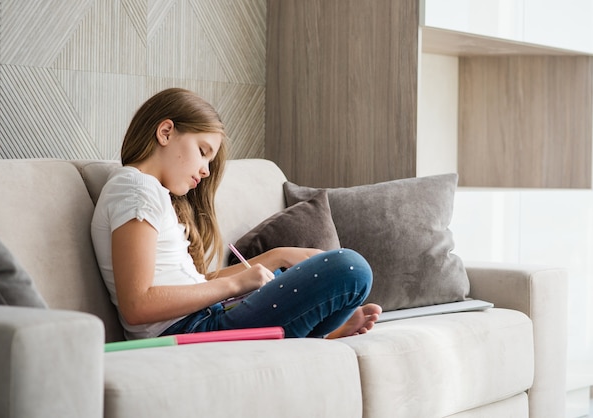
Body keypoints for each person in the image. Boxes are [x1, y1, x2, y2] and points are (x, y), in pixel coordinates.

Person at [91, 88, 381, 340]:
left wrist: (276, 256)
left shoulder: (148, 192)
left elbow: (193, 286)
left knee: (315, 274)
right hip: (191, 331)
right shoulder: (135, 189)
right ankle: (320, 332)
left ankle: (320, 331)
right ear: (165, 132)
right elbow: (138, 304)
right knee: (350, 268)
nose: (205, 170)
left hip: (202, 319)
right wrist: (235, 284)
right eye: (203, 151)